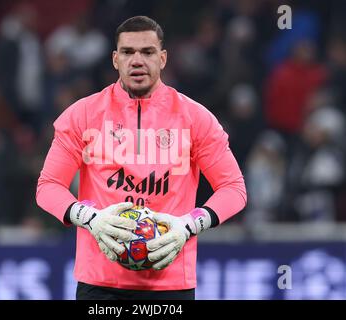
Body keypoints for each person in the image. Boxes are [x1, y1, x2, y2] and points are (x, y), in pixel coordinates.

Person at [36, 16, 246, 300]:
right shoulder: (82, 115)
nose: (137, 60)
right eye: (127, 52)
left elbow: (234, 189)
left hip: (171, 284)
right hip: (100, 282)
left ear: (163, 58)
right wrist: (90, 218)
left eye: (147, 52)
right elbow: (48, 186)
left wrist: (189, 225)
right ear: (114, 59)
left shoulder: (196, 119)